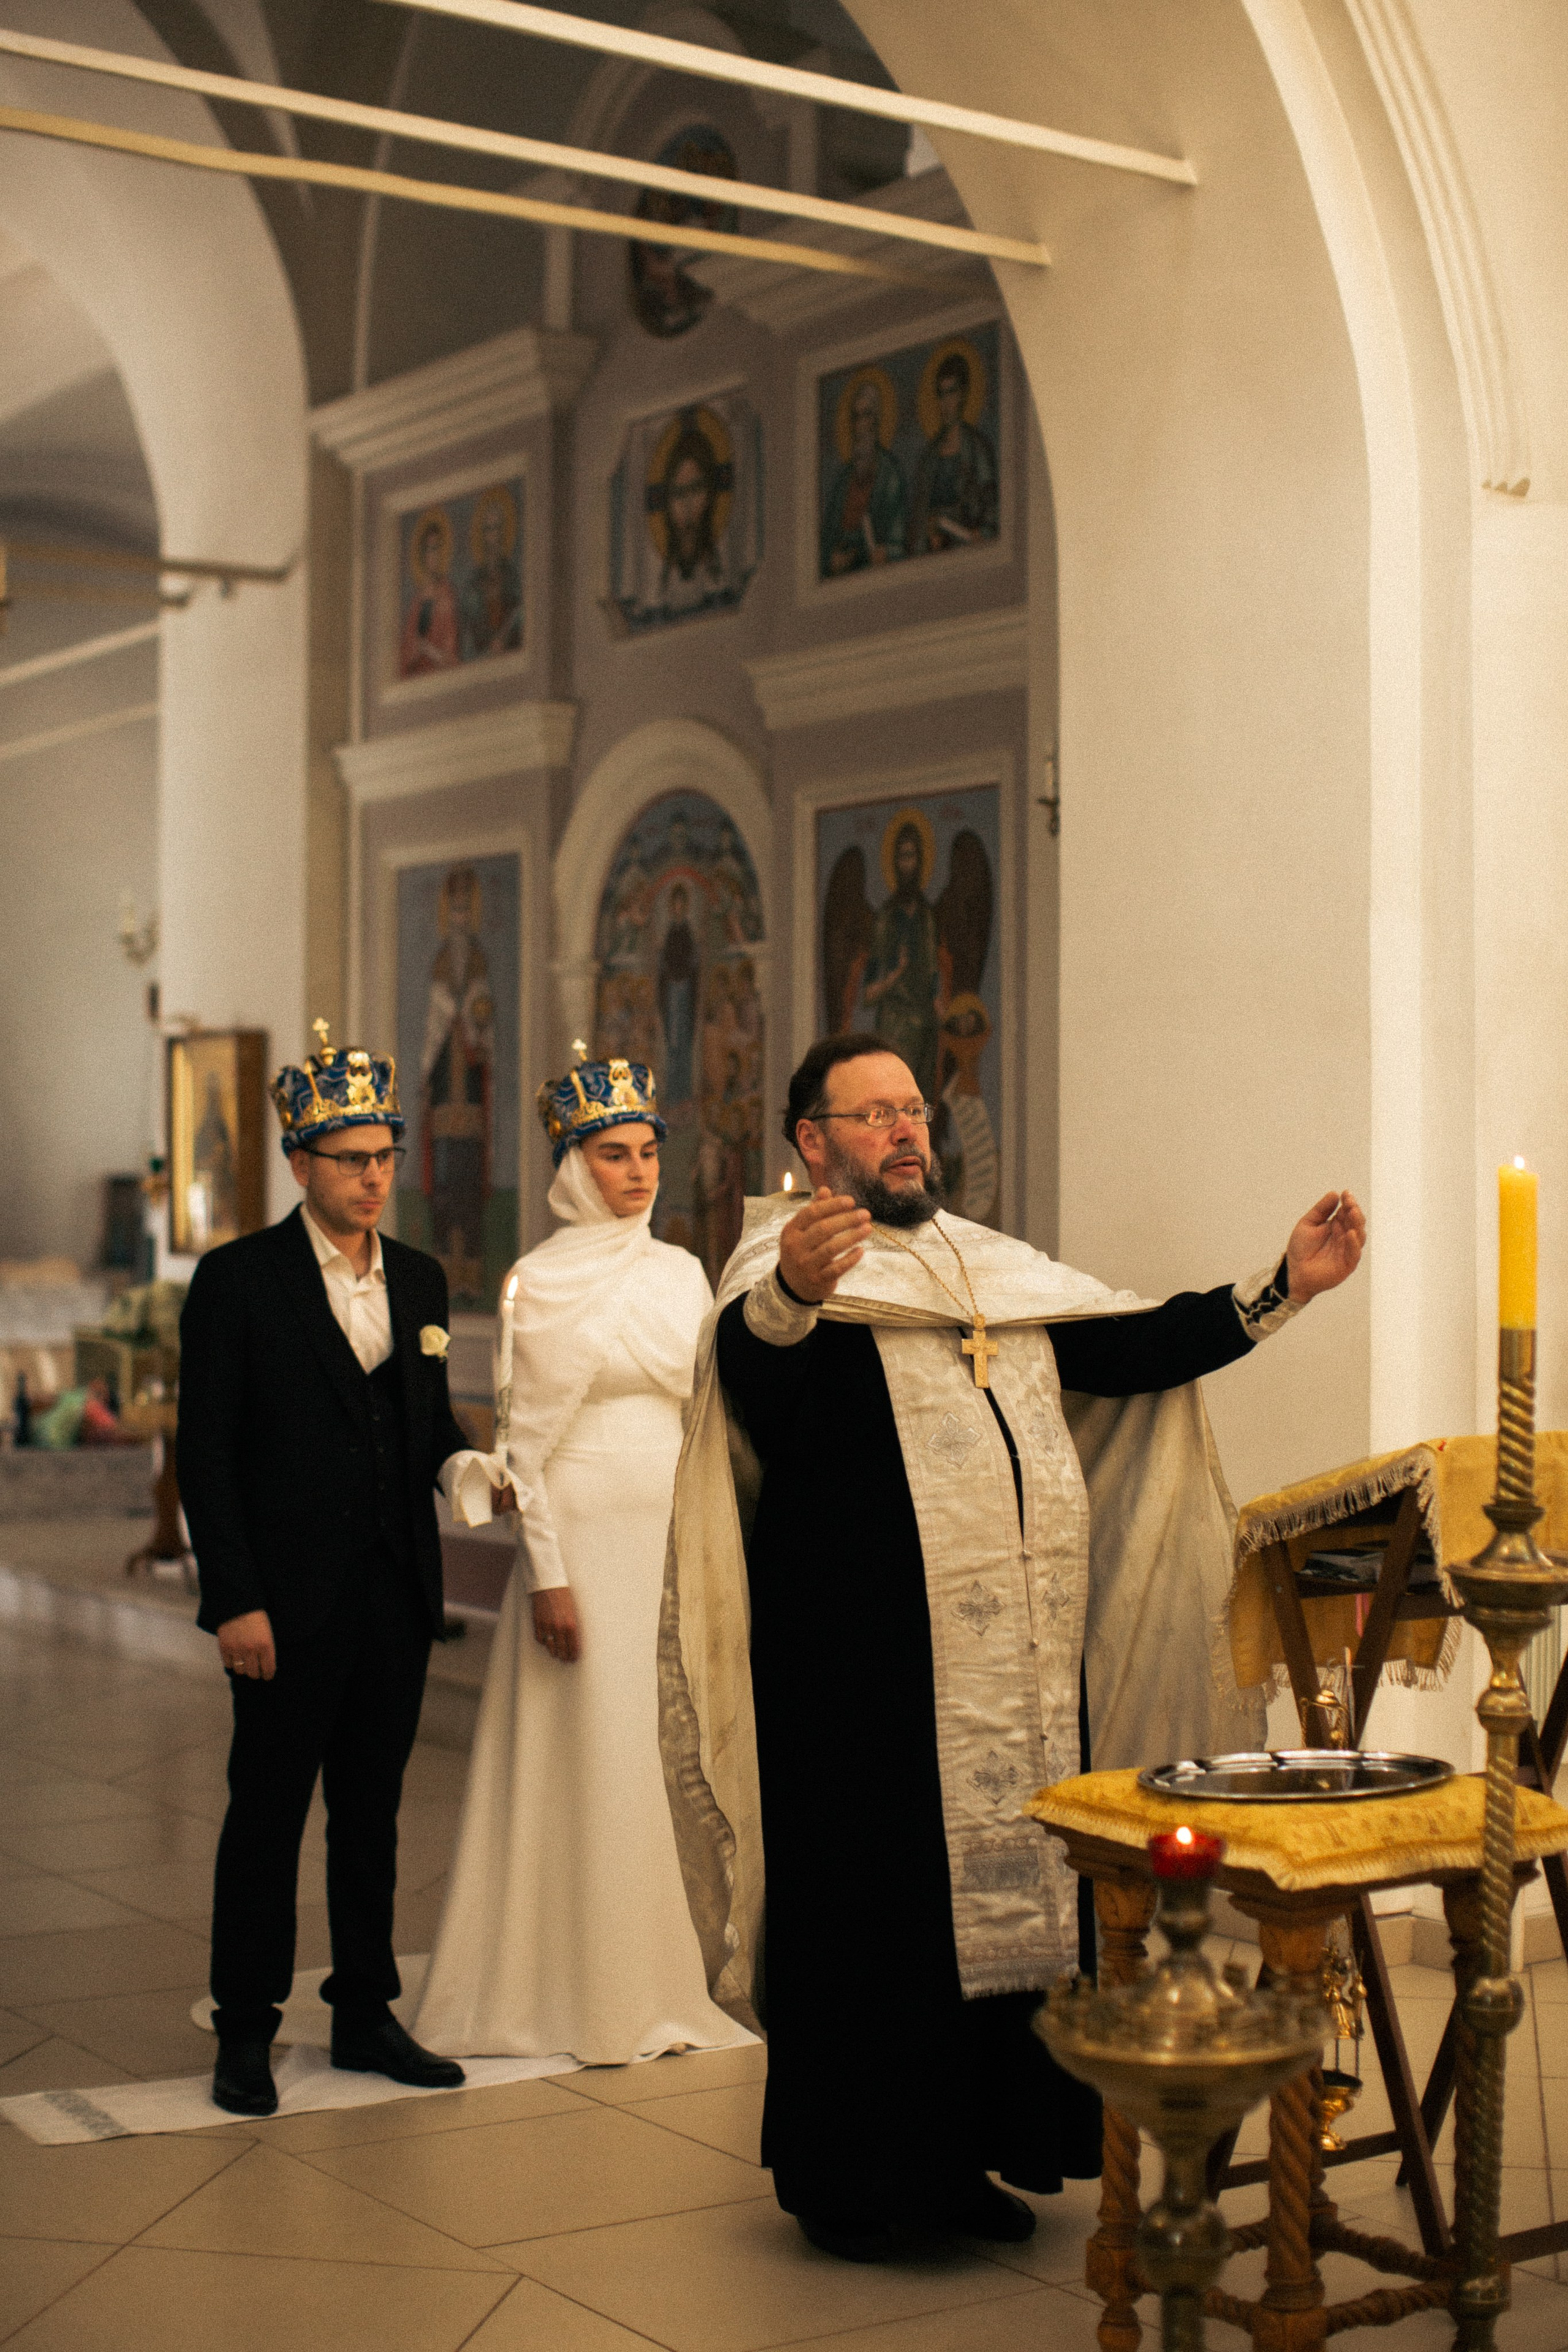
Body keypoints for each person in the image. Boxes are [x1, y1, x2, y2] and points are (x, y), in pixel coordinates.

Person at [660, 1032, 1366, 2259]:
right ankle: (860, 2181)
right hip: (859, 1682)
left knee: (1007, 1925)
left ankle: (970, 2155)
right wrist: (789, 1298)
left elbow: (1132, 1348)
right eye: (871, 1115)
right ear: (810, 1143)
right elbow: (750, 1395)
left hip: (1017, 1673)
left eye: (913, 1111)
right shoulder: (782, 1279)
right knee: (878, 1925)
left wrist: (1281, 1286)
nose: (904, 1132)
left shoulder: (992, 1271)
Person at [415, 1049, 751, 2064]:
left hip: (668, 1539)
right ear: (572, 1166)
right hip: (583, 1550)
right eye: (615, 1155)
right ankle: (562, 1986)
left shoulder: (682, 1270)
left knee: (660, 1759)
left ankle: (659, 1974)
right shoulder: (540, 1282)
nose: (640, 1172)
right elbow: (526, 1451)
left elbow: (705, 1415)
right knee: (591, 1754)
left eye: (650, 1152)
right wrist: (548, 1577)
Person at [179, 1020, 487, 2118]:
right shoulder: (239, 1281)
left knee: (373, 1815)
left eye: (385, 1157)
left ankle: (364, 2010)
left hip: (392, 1594)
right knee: (265, 1815)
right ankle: (246, 2027)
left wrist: (460, 1467)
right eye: (351, 1158)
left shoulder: (419, 1279)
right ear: (301, 1161)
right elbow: (205, 1453)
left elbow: (424, 1420)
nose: (372, 1178)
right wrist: (236, 1599)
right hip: (285, 1603)